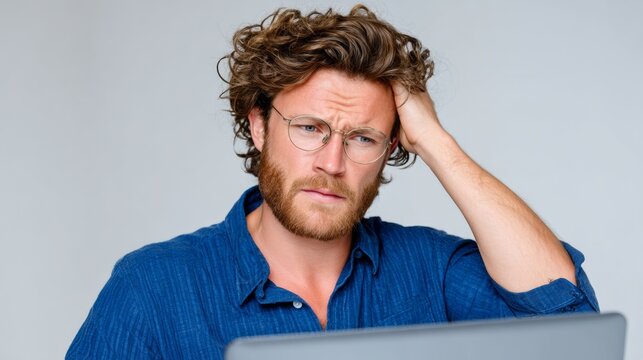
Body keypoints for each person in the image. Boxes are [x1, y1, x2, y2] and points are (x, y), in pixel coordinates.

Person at [67, 4, 598, 359]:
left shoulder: (429, 272)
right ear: (258, 125)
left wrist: (436, 141)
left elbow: (570, 322)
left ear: (392, 147)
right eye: (309, 129)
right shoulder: (154, 287)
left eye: (363, 138)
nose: (332, 162)